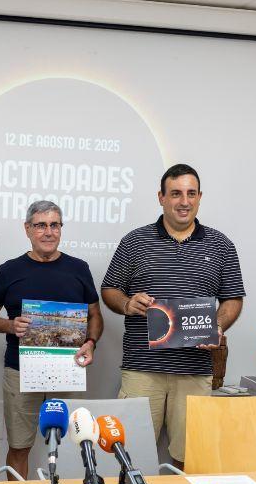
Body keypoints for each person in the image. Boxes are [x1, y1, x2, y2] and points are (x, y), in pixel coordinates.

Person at [101, 164, 245, 466]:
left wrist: (216, 326)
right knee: (129, 458)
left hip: (195, 371)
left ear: (200, 197)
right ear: (161, 197)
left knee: (191, 458)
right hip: (142, 369)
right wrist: (127, 303)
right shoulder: (134, 241)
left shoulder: (221, 245)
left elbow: (232, 298)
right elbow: (110, 289)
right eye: (176, 193)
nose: (184, 201)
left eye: (191, 194)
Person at [0, 200, 102, 479]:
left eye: (54, 225)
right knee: (19, 446)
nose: (48, 232)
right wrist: (10, 325)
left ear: (61, 228)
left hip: (69, 370)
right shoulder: (10, 269)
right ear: (27, 229)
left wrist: (91, 342)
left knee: (74, 445)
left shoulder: (79, 268)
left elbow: (95, 315)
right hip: (21, 371)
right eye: (40, 225)